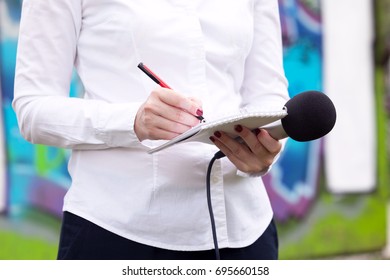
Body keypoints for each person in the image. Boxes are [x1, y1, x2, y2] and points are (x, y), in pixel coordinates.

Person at [13, 0, 289, 260]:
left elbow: (269, 93)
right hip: (118, 231)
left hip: (245, 231)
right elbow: (33, 109)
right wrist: (133, 121)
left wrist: (266, 150)